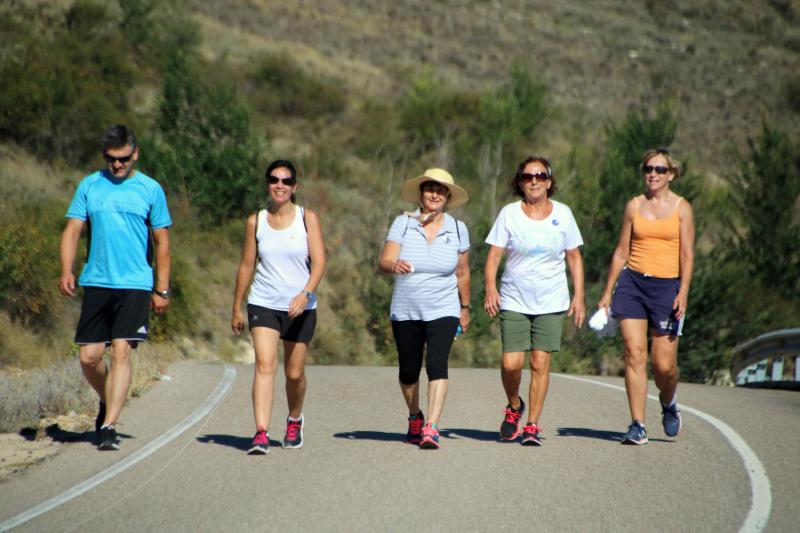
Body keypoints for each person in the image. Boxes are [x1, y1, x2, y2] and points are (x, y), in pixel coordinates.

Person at [59, 124, 172, 451]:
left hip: (136, 283)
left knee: (122, 351)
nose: (117, 165)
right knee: (89, 357)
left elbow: (162, 241)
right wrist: (67, 270)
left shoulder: (150, 189)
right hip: (97, 280)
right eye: (111, 159)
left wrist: (161, 289)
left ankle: (108, 426)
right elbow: (72, 231)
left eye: (123, 159)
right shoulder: (90, 186)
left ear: (134, 153)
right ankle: (108, 399)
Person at [484, 156, 585, 446]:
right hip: (515, 298)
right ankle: (514, 406)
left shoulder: (563, 214)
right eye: (528, 176)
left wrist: (579, 295)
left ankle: (532, 425)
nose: (534, 180)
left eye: (540, 175)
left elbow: (574, 257)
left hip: (551, 301)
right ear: (520, 182)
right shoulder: (509, 213)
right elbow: (494, 256)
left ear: (549, 182)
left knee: (540, 363)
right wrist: (490, 289)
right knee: (511, 363)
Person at [597, 148, 695, 445]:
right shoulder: (634, 206)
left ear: (672, 174)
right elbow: (621, 251)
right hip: (632, 284)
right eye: (648, 169)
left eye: (660, 170)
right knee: (634, 353)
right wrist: (606, 294)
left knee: (664, 365)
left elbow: (687, 255)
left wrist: (684, 292)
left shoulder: (682, 208)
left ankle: (668, 402)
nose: (653, 174)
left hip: (667, 288)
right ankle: (637, 424)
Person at [232, 160, 326, 455]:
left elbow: (320, 262)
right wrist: (237, 305)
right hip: (263, 302)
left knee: (294, 373)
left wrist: (305, 294)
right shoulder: (255, 221)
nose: (280, 185)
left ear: (294, 187)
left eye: (286, 181)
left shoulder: (307, 218)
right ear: (268, 184)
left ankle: (294, 419)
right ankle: (261, 432)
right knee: (264, 364)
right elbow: (248, 265)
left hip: (301, 306)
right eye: (274, 180)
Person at [379, 168, 470, 450]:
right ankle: (414, 416)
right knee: (408, 371)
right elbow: (385, 260)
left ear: (448, 197)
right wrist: (393, 265)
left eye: (441, 190)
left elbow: (463, 272)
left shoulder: (457, 228)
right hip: (406, 308)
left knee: (437, 364)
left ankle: (431, 426)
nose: (435, 194)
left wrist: (465, 308)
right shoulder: (403, 224)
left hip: (444, 308)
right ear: (421, 193)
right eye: (430, 188)